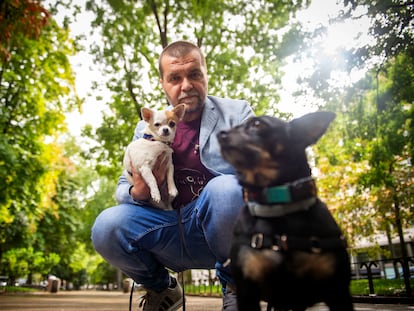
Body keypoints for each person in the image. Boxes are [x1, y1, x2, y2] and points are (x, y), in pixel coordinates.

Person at [91, 40, 255, 311]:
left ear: (205, 74)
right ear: (163, 84)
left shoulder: (237, 113)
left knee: (226, 189)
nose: (186, 85)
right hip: (164, 228)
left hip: (220, 229)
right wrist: (137, 193)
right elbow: (122, 188)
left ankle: (236, 287)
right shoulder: (146, 125)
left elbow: (261, 174)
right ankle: (162, 289)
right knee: (107, 226)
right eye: (175, 78)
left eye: (194, 74)